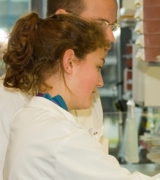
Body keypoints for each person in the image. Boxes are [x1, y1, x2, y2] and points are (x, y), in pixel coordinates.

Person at [2, 12, 160, 179]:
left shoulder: (31, 118)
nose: (101, 80)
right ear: (70, 61)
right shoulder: (57, 135)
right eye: (98, 66)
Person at [0, 0, 118, 178]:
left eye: (113, 26)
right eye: (100, 24)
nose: (110, 37)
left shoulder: (85, 90)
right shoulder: (7, 98)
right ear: (65, 19)